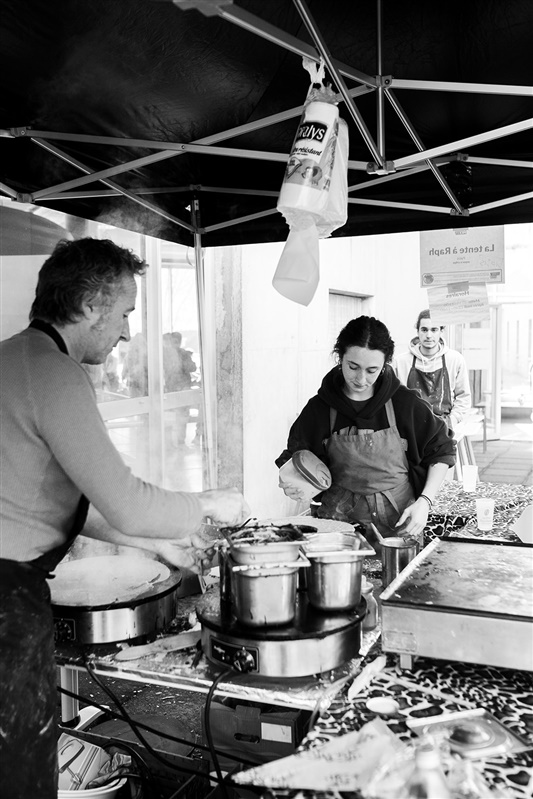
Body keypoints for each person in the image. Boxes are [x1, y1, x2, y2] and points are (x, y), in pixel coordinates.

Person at [0, 237, 249, 799]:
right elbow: (126, 501)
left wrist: (157, 545)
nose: (128, 332)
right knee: (18, 773)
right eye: (124, 313)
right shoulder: (55, 374)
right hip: (5, 602)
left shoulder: (11, 360)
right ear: (90, 305)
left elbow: (61, 501)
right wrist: (208, 502)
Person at [276, 316, 456, 546]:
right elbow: (295, 458)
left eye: (372, 370)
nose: (361, 379)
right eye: (353, 367)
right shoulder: (319, 408)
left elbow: (441, 450)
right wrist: (293, 483)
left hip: (399, 525)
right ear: (339, 357)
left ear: (385, 365)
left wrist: (425, 502)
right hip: (338, 527)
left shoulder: (404, 403)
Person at [393, 309, 471, 431]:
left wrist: (452, 420)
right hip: (411, 429)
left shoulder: (455, 360)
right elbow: (394, 398)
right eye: (424, 330)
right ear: (417, 331)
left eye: (434, 330)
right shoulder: (401, 362)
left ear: (441, 331)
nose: (429, 335)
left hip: (445, 429)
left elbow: (463, 397)